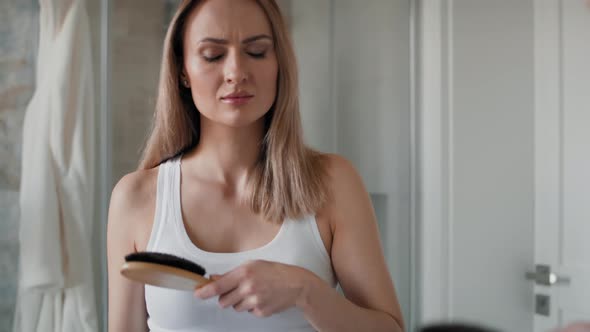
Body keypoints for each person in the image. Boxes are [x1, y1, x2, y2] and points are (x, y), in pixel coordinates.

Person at [106, 0, 404, 331]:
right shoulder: (135, 198)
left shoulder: (334, 184)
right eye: (213, 56)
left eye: (257, 51)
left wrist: (306, 291)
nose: (236, 72)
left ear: (280, 64)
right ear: (182, 72)